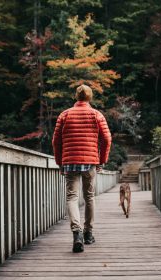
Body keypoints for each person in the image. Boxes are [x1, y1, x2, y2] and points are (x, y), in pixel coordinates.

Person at [52, 84, 112, 253]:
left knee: (72, 197)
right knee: (89, 197)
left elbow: (56, 142)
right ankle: (88, 234)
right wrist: (101, 160)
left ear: (76, 97)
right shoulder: (96, 114)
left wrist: (60, 163)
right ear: (90, 97)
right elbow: (107, 139)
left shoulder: (64, 115)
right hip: (89, 162)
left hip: (70, 162)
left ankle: (76, 233)